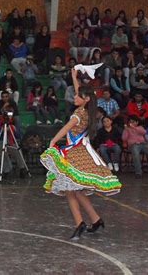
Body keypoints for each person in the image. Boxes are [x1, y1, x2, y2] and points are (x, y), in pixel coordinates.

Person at [40, 68, 122, 240]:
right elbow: (81, 93)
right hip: (81, 150)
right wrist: (74, 77)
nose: (74, 97)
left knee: (70, 190)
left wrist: (53, 141)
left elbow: (66, 128)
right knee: (77, 191)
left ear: (85, 99)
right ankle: (96, 219)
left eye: (78, 96)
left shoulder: (78, 114)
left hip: (76, 153)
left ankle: (79, 224)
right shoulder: (88, 110)